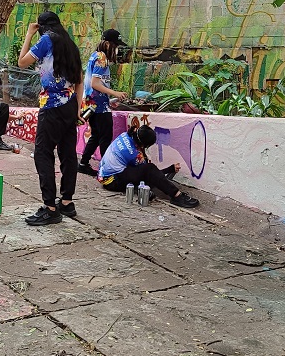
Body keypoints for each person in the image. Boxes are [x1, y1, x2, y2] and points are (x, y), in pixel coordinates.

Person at [18, 11, 83, 226]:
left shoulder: (46, 40)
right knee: (67, 154)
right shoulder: (70, 45)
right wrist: (78, 110)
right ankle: (66, 201)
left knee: (43, 153)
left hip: (52, 105)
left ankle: (50, 207)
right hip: (70, 104)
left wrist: (29, 34)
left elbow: (22, 62)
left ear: (43, 27)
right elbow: (80, 80)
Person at [97, 125, 200, 208]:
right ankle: (176, 196)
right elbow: (149, 172)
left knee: (147, 172)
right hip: (112, 182)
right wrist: (169, 169)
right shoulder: (133, 154)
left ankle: (145, 189)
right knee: (150, 169)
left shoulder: (125, 135)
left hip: (105, 176)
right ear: (143, 145)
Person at [78, 28, 129, 176]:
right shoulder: (101, 58)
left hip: (92, 103)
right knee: (105, 137)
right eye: (116, 45)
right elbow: (95, 84)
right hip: (99, 106)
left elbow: (96, 84)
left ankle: (83, 163)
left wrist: (109, 98)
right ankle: (107, 169)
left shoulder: (95, 55)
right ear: (107, 44)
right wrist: (116, 93)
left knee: (96, 135)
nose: (117, 49)